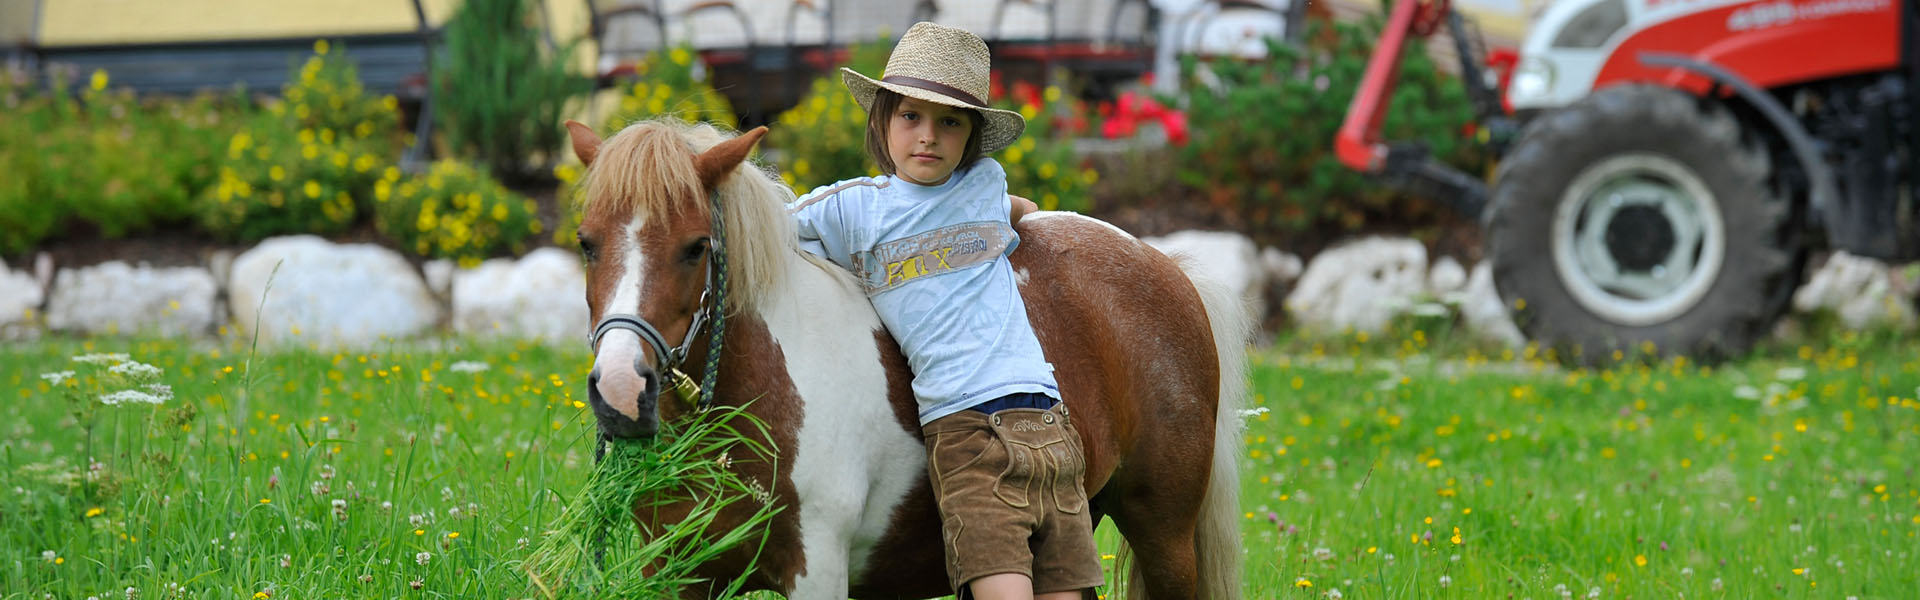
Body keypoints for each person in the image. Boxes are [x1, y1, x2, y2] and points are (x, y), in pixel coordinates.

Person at [785, 21, 1103, 600]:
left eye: (949, 122)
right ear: (883, 122)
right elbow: (770, 231)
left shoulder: (984, 184)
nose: (927, 137)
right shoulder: (855, 209)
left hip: (1051, 423)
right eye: (910, 117)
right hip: (967, 429)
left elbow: (1017, 209)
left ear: (972, 138)